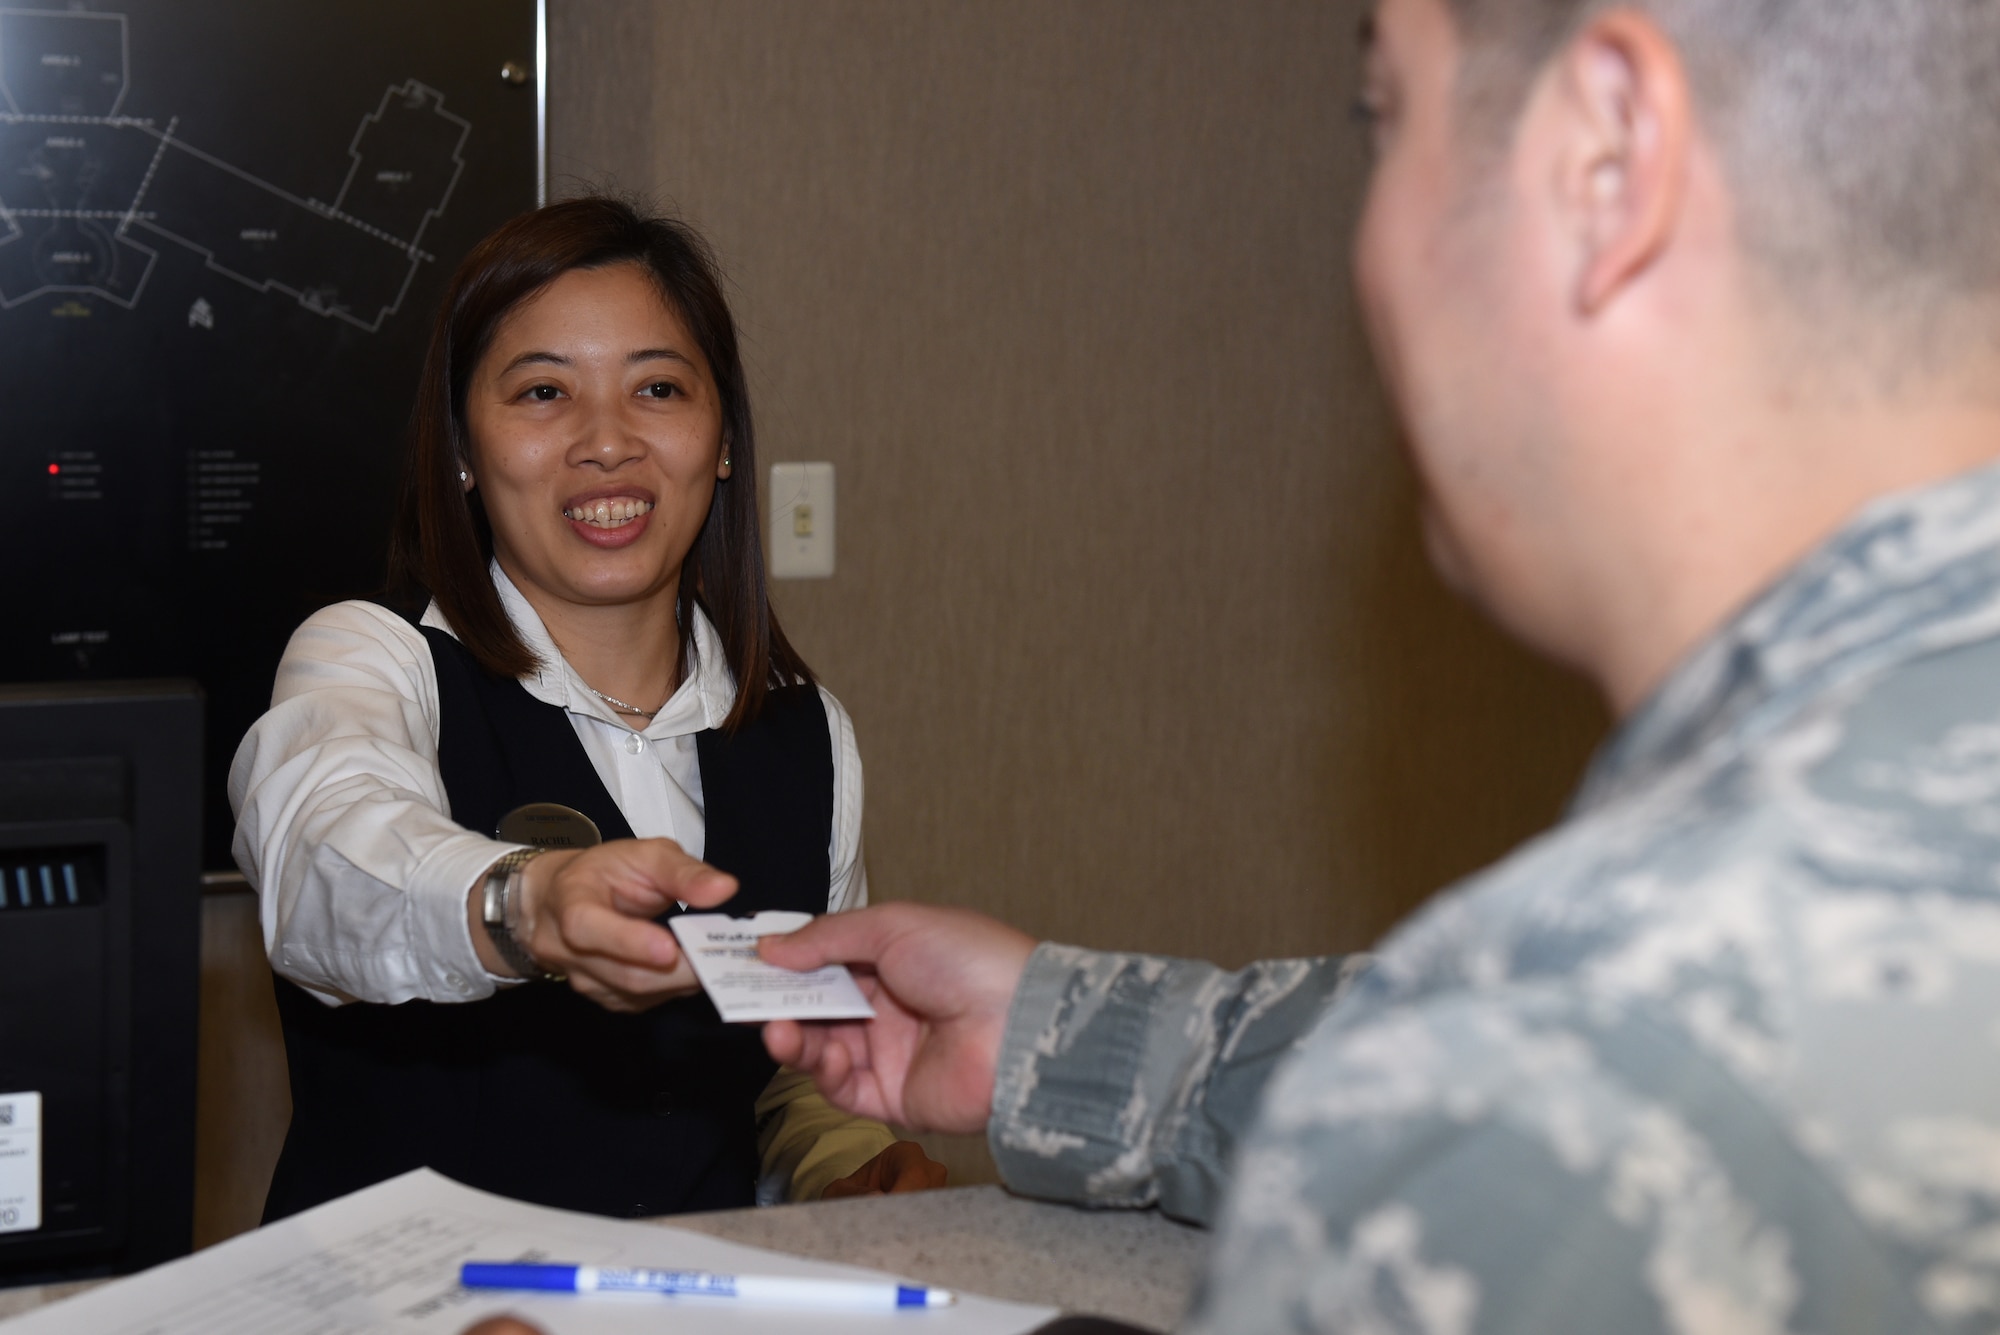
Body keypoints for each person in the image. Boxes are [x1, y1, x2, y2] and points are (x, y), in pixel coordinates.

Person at [741, 1, 2000, 1330]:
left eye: (1383, 115)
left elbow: (1520, 1085)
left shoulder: (1583, 1085)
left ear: (1607, 157)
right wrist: (1063, 1036)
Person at [229, 197, 943, 1221]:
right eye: (542, 392)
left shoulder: (804, 733)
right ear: (463, 451)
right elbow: (318, 872)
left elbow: (783, 1063)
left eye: (657, 387)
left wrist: (847, 1162)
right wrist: (526, 904)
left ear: (723, 439)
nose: (606, 443)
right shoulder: (369, 656)